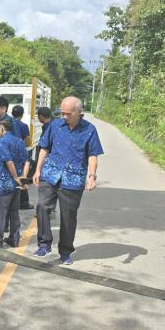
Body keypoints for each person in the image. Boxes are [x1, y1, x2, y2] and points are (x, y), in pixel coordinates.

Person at [33, 97, 104, 265]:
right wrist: (37, 170)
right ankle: (44, 244)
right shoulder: (54, 125)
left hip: (73, 179)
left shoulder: (89, 130)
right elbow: (44, 148)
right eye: (62, 113)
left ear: (79, 112)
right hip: (50, 174)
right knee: (42, 206)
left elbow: (92, 155)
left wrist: (92, 176)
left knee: (68, 216)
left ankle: (65, 251)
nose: (64, 116)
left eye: (68, 114)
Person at [0, 118, 29, 248]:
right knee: (14, 212)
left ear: (2, 128)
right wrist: (22, 178)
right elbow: (26, 161)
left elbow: (8, 161)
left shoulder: (2, 141)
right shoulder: (19, 141)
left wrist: (15, 177)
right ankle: (14, 239)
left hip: (4, 183)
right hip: (16, 185)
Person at [11, 105, 34, 210]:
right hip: (20, 154)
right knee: (22, 176)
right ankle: (23, 203)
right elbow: (27, 141)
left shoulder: (8, 124)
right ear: (22, 114)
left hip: (8, 153)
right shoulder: (23, 126)